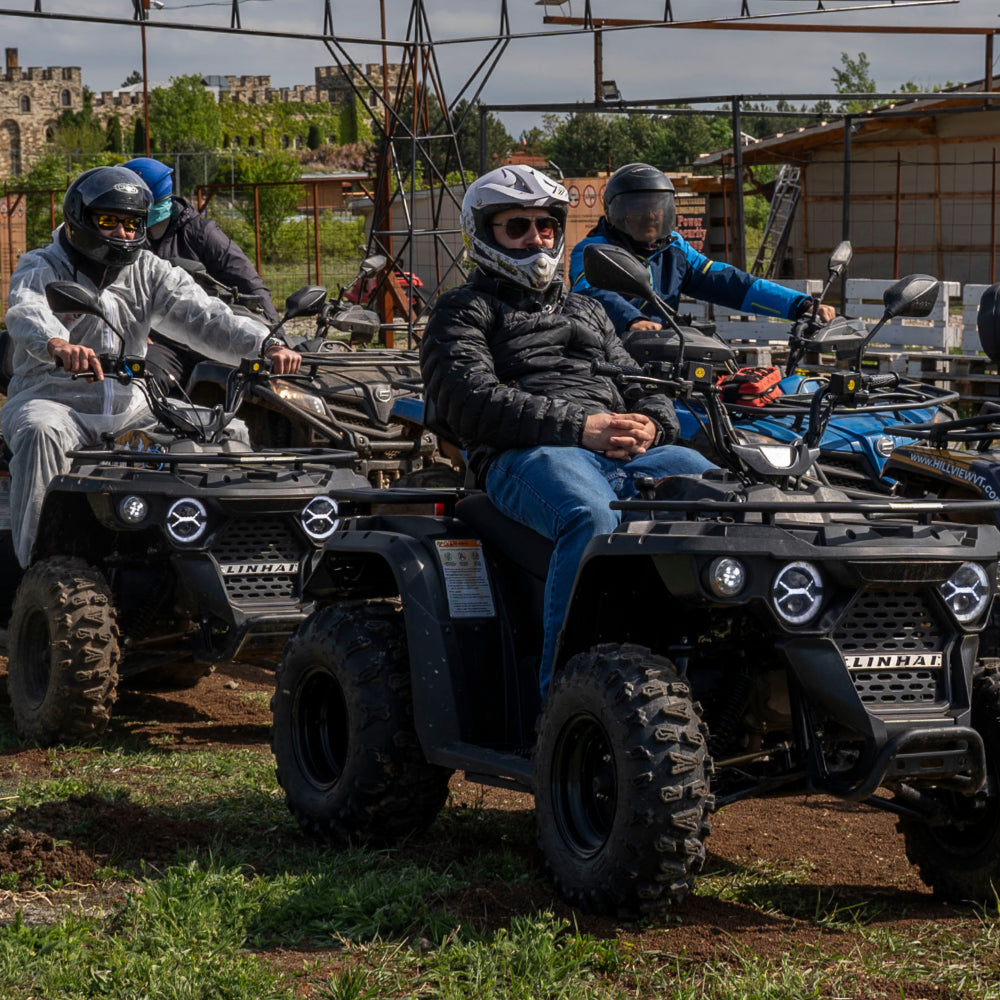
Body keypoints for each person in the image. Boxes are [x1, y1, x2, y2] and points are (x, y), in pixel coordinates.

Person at [420, 164, 716, 698]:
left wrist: (653, 422)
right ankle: (562, 695)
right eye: (518, 227)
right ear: (484, 235)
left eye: (546, 226)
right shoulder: (460, 311)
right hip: (526, 454)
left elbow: (639, 383)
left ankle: (724, 664)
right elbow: (470, 402)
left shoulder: (589, 310)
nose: (536, 237)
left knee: (726, 495)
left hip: (622, 452)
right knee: (592, 516)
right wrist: (582, 427)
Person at [2, 164, 301, 568]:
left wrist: (265, 344)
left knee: (226, 430)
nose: (123, 233)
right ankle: (40, 571)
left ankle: (225, 557)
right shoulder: (43, 265)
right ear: (80, 217)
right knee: (42, 433)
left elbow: (205, 316)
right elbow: (28, 310)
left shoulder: (148, 269)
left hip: (132, 408)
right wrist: (56, 343)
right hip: (54, 400)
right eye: (109, 221)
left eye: (132, 224)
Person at [569, 162, 836, 349]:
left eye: (656, 208)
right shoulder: (593, 249)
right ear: (616, 212)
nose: (650, 215)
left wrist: (801, 305)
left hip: (661, 351)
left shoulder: (675, 249)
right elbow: (592, 291)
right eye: (638, 208)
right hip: (605, 355)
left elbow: (729, 281)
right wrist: (632, 320)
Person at [122, 157, 282, 394]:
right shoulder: (123, 238)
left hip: (210, 333)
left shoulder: (201, 233)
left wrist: (277, 341)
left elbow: (248, 282)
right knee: (142, 381)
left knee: (259, 388)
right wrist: (132, 336)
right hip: (161, 343)